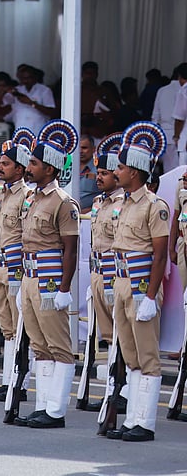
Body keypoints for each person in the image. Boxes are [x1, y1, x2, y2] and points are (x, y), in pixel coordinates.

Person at [105, 122, 170, 442]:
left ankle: (145, 422)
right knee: (129, 354)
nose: (116, 172)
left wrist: (150, 296)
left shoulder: (154, 206)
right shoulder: (122, 203)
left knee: (147, 356)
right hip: (120, 282)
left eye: (121, 167)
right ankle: (132, 419)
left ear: (137, 171)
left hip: (141, 285)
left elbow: (159, 256)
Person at [14, 120, 80, 429]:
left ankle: (56, 410)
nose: (29, 168)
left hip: (51, 277)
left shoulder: (63, 202)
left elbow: (70, 248)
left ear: (50, 169)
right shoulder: (31, 197)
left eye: (34, 163)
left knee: (58, 344)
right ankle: (43, 404)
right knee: (38, 344)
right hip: (29, 277)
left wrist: (65, 288)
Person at [0, 129, 34, 401]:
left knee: (20, 323)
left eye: (6, 164)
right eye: (0, 163)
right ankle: (7, 382)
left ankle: (20, 383)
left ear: (21, 168)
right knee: (6, 326)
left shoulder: (27, 196)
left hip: (16, 266)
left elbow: (27, 235)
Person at [82, 132, 124, 410]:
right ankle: (111, 391)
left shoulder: (123, 204)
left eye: (105, 173)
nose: (99, 178)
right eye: (98, 172)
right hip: (98, 273)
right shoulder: (99, 203)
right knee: (108, 337)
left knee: (121, 337)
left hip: (115, 274)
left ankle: (121, 392)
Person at [2, 65, 56, 134]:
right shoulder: (18, 90)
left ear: (35, 78)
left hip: (37, 131)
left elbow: (51, 112)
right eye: (23, 78)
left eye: (28, 78)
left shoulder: (44, 90)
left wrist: (32, 103)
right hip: (20, 131)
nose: (26, 81)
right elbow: (3, 103)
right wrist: (6, 90)